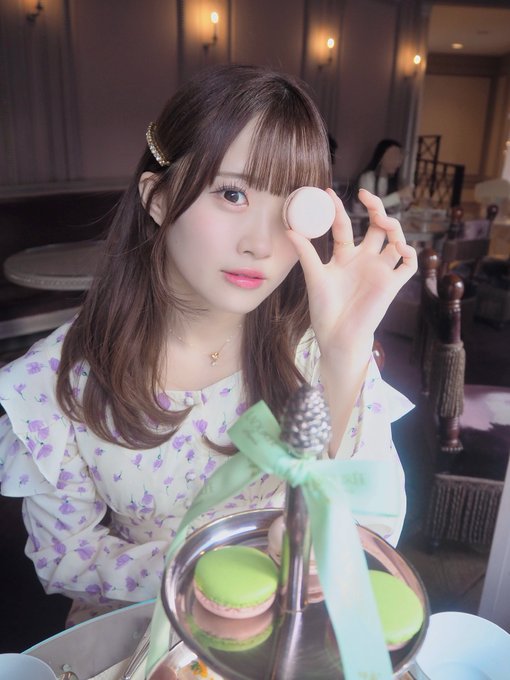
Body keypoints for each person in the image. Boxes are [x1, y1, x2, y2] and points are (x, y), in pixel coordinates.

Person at [0, 65, 417, 626]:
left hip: (287, 636)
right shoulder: (57, 381)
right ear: (156, 198)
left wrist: (345, 356)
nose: (261, 244)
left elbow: (374, 524)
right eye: (232, 193)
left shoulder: (316, 348)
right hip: (137, 635)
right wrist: (231, 569)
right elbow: (66, 560)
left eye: (289, 208)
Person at [356, 139, 414, 215]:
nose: (397, 162)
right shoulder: (367, 177)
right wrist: (399, 195)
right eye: (392, 157)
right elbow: (370, 206)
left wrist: (406, 201)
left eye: (399, 158)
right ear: (380, 158)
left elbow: (396, 209)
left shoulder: (394, 180)